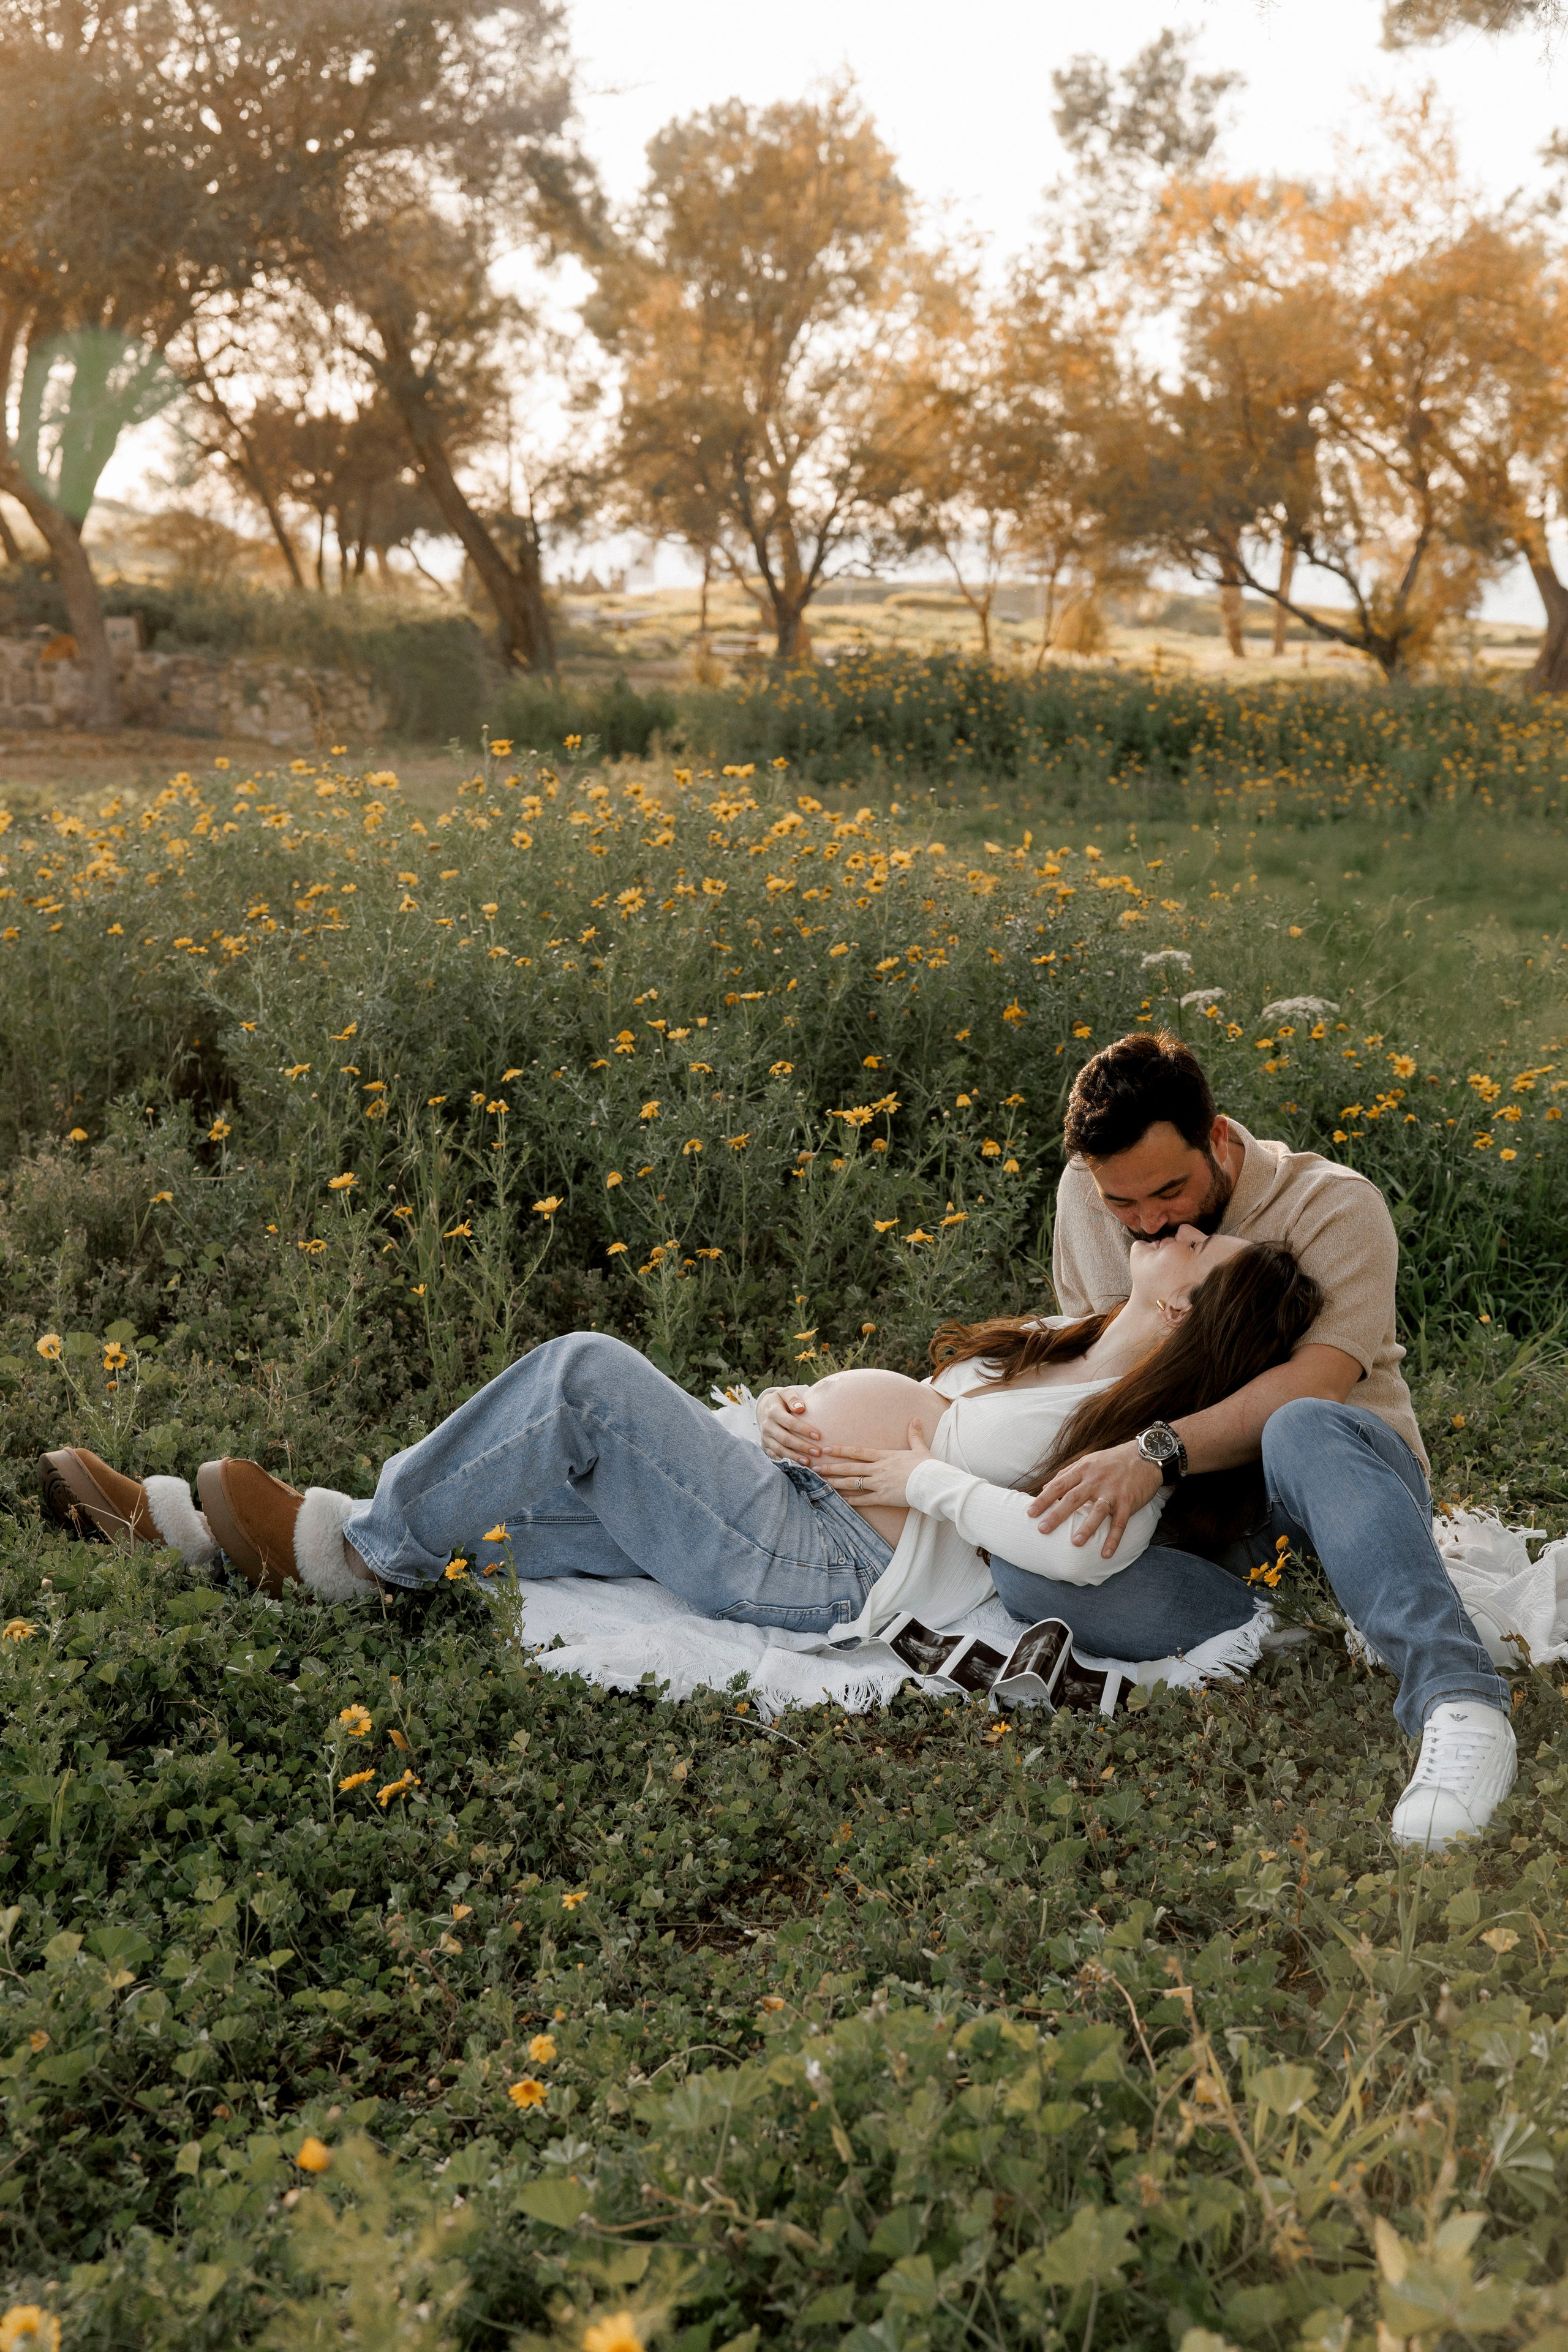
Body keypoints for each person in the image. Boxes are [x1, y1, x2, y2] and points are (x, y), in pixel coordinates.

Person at [40, 1227, 1311, 1688]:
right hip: (780, 1487)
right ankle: (185, 1531)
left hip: (812, 1564)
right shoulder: (1075, 1343)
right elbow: (919, 1407)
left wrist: (920, 1475)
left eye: (1195, 1245)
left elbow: (1060, 1542)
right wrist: (791, 1417)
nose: (1170, 1229)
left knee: (582, 1376)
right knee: (493, 1486)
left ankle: (353, 1561)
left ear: (1197, 1309)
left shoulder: (1128, 1444)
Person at [995, 1027, 1514, 1852]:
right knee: (1022, 1555)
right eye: (1121, 1205)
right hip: (1194, 1516)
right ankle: (1271, 1623)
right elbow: (1104, 1364)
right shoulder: (1090, 1195)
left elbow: (1314, 1383)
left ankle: (1461, 1704)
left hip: (1333, 1487)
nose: (1148, 1222)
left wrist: (1152, 1451)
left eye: (1168, 1191)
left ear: (1220, 1139)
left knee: (1300, 1425)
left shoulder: (1335, 1204)